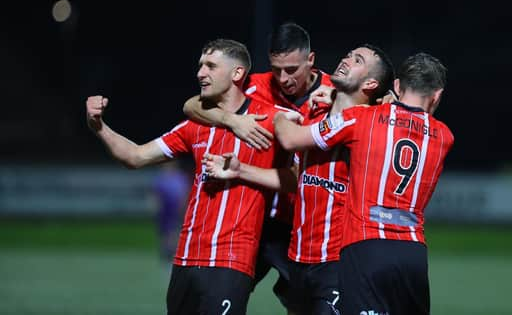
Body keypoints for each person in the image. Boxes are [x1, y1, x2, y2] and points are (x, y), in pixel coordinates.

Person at [86, 39, 286, 315]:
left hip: (231, 260)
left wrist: (244, 171)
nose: (200, 73)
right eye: (200, 65)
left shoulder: (272, 119)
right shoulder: (196, 125)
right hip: (185, 260)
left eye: (211, 66)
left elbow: (296, 178)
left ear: (237, 74)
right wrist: (98, 127)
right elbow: (134, 156)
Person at [203, 44, 395, 314]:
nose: (346, 59)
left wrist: (278, 115)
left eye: (358, 59)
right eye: (348, 54)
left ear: (372, 82)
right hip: (299, 257)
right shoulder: (313, 115)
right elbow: (295, 178)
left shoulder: (370, 120)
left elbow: (290, 139)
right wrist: (240, 170)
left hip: (338, 261)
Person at [272, 52, 454, 315]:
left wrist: (280, 117)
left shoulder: (362, 119)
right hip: (413, 251)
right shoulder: (445, 136)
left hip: (366, 247)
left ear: (397, 86)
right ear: (436, 95)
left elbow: (290, 139)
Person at [183, 22, 333, 313]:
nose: (283, 78)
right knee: (217, 299)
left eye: (292, 69)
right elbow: (192, 106)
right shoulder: (257, 85)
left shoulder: (335, 92)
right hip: (257, 222)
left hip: (304, 225)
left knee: (305, 306)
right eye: (277, 69)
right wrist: (232, 120)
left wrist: (387, 100)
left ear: (311, 60)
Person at [152, 159, 191, 264]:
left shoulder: (180, 177)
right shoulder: (161, 177)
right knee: (165, 231)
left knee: (174, 230)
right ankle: (166, 251)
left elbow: (184, 192)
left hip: (175, 207)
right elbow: (156, 194)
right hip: (165, 208)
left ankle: (173, 251)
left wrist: (182, 206)